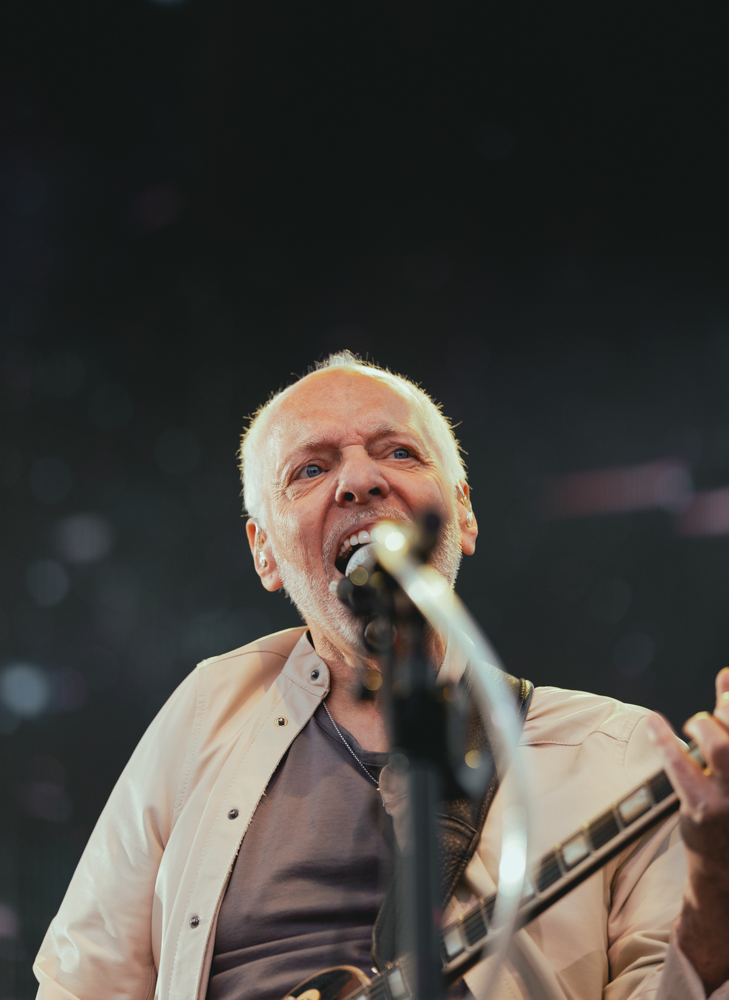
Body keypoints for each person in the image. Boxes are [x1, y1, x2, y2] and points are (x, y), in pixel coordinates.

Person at [33, 352, 729, 1000]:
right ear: (265, 553)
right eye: (309, 469)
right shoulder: (207, 710)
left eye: (398, 452)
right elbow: (83, 981)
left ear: (462, 512)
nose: (360, 480)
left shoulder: (619, 751)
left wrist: (716, 892)